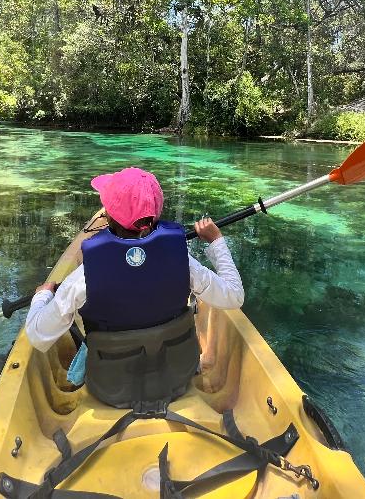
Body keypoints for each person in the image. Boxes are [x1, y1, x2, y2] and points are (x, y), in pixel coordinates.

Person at [24, 167, 244, 407]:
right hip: (177, 378)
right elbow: (234, 296)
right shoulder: (184, 263)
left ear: (107, 215)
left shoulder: (83, 277)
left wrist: (42, 296)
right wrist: (216, 242)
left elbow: (37, 336)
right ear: (156, 213)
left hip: (111, 388)